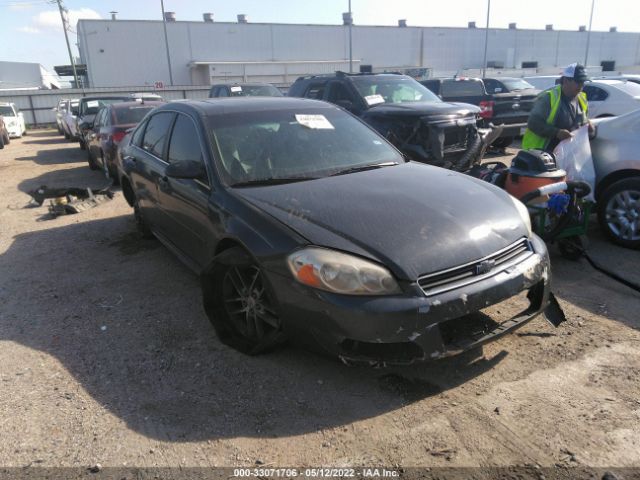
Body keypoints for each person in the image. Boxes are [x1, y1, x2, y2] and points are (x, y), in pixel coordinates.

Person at [522, 63, 593, 152]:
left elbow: (582, 123)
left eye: (583, 82)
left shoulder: (582, 98)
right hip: (543, 154)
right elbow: (533, 123)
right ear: (566, 81)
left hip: (568, 154)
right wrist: (556, 133)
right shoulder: (548, 98)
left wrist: (588, 126)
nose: (581, 85)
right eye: (578, 82)